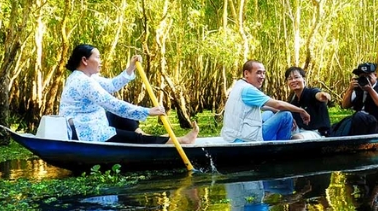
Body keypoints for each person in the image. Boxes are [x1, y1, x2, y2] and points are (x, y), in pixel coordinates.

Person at [59, 44, 198, 145]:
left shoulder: (87, 77)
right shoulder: (82, 81)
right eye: (98, 58)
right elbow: (112, 104)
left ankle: (144, 136)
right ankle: (182, 140)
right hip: (85, 131)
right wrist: (147, 111)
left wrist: (131, 67)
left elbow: (112, 85)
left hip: (91, 122)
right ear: (84, 60)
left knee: (120, 118)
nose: (101, 62)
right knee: (129, 132)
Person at [221, 60, 311, 142]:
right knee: (286, 115)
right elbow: (278, 104)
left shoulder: (239, 85)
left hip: (234, 135)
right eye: (259, 73)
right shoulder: (248, 90)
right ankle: (282, 148)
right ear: (246, 73)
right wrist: (301, 111)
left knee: (269, 113)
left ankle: (277, 140)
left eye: (263, 73)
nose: (262, 77)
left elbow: (265, 106)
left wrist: (285, 113)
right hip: (245, 137)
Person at [340, 62, 378, 135]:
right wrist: (350, 89)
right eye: (362, 77)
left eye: (368, 77)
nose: (365, 80)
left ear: (375, 75)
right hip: (360, 124)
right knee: (344, 123)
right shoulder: (358, 90)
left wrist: (370, 90)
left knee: (360, 116)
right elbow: (344, 105)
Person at [284, 66, 332, 139]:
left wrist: (322, 95)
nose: (293, 80)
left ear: (303, 79)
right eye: (290, 79)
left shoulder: (311, 92)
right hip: (300, 130)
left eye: (296, 77)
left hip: (318, 133)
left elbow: (317, 94)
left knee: (296, 138)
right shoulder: (294, 100)